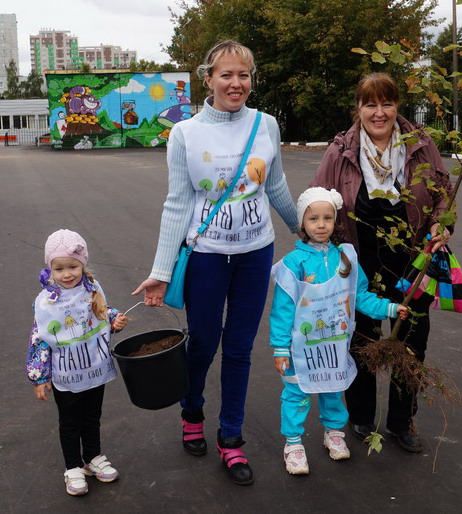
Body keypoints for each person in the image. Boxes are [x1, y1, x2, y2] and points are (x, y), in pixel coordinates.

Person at [132, 40, 299, 486]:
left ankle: (231, 438)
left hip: (255, 254)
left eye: (243, 75)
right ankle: (192, 413)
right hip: (206, 257)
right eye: (226, 74)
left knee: (240, 349)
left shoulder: (266, 125)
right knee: (204, 344)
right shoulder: (185, 133)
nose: (236, 83)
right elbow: (177, 203)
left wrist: (305, 232)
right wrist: (161, 271)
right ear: (208, 79)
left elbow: (276, 186)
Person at [310, 72, 453, 452]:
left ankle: (402, 422)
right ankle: (361, 416)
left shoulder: (420, 144)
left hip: (412, 262)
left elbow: (443, 191)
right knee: (362, 340)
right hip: (360, 262)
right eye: (370, 104)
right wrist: (322, 251)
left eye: (386, 103)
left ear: (397, 106)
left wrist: (440, 222)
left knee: (412, 342)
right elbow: (316, 200)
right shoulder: (341, 150)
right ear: (358, 108)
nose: (379, 112)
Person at [270, 187, 409, 474]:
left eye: (328, 218)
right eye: (313, 219)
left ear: (335, 221)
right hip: (301, 348)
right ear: (302, 223)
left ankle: (334, 433)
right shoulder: (294, 263)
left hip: (334, 346)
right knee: (296, 394)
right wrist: (280, 347)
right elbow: (282, 310)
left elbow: (360, 296)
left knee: (334, 390)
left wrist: (389, 309)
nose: (321, 225)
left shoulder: (346, 258)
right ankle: (293, 444)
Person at [26, 229, 129, 496]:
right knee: (71, 422)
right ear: (50, 269)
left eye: (73, 266)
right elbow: (40, 338)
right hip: (66, 375)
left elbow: (101, 314)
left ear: (83, 264)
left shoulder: (91, 289)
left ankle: (92, 458)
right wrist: (39, 377)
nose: (67, 274)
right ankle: (72, 466)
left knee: (92, 417)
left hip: (94, 367)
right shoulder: (46, 302)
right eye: (59, 268)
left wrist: (114, 319)